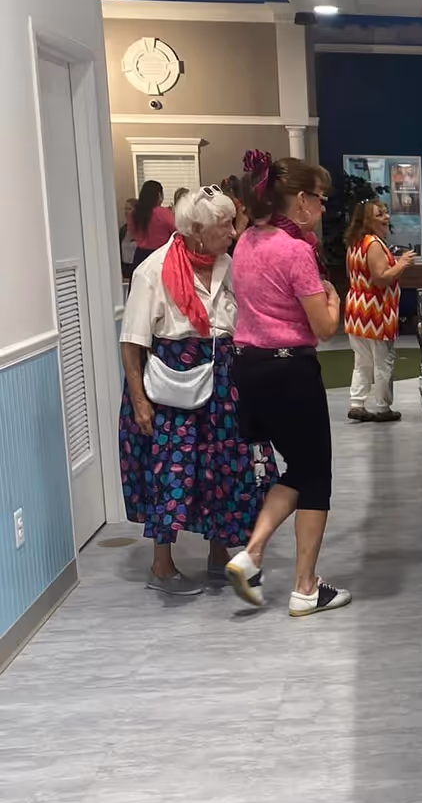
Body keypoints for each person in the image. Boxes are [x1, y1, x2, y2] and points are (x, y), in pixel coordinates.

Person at [119, 186, 276, 595]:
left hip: (223, 375)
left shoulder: (228, 262)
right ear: (194, 231)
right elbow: (132, 341)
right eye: (222, 224)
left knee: (224, 467)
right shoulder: (152, 271)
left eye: (230, 222)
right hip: (173, 383)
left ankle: (217, 553)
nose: (231, 230)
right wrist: (139, 403)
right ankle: (161, 564)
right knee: (170, 472)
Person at [224, 157, 350, 616]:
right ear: (301, 201)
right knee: (316, 477)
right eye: (319, 198)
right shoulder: (294, 251)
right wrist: (334, 302)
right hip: (289, 370)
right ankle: (305, 586)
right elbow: (322, 328)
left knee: (296, 468)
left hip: (249, 367)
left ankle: (252, 552)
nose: (322, 207)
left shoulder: (245, 243)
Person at [343, 198, 414, 423]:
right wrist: (402, 263)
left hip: (356, 310)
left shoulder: (355, 243)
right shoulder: (373, 243)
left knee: (362, 360)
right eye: (379, 214)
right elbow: (381, 279)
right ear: (366, 220)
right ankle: (383, 408)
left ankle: (357, 403)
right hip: (375, 312)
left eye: (385, 212)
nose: (386, 217)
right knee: (383, 361)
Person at [128, 180, 175, 271]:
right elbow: (176, 230)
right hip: (160, 255)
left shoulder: (134, 213)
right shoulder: (163, 213)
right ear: (159, 195)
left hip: (140, 255)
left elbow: (132, 235)